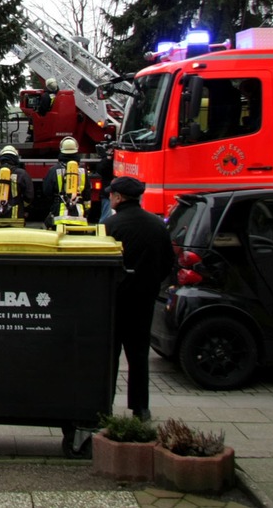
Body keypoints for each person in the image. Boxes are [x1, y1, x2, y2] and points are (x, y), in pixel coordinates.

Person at [104, 175, 174, 421]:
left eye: (111, 194)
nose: (109, 197)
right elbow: (168, 263)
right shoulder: (156, 225)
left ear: (119, 198)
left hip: (115, 301)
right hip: (144, 301)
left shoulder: (111, 226)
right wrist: (151, 282)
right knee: (138, 356)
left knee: (110, 356)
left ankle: (105, 405)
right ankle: (140, 408)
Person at [41, 136, 90, 222]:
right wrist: (86, 209)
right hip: (79, 216)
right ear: (76, 151)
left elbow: (47, 191)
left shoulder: (54, 170)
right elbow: (87, 193)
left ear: (61, 151)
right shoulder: (82, 171)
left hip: (59, 216)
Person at [0, 145, 33, 227]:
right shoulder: (22, 174)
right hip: (17, 220)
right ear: (15, 159)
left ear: (0, 159)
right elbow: (29, 196)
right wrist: (20, 206)